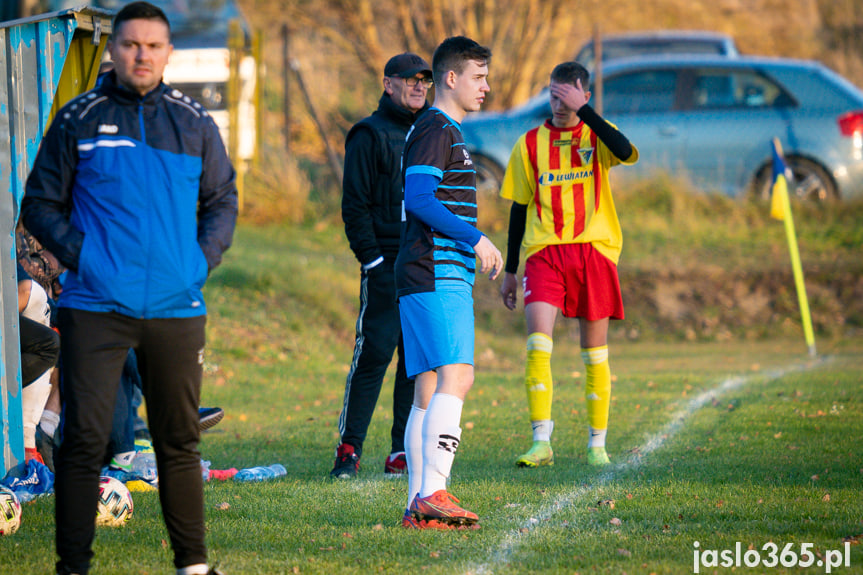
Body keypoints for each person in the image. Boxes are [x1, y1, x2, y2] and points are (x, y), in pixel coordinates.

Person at [21, 2, 237, 574]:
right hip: (94, 305)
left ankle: (193, 565)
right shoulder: (78, 119)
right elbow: (39, 205)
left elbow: (222, 203)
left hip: (175, 304)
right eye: (131, 44)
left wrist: (198, 262)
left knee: (177, 444)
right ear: (114, 49)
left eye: (153, 45)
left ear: (168, 52)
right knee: (85, 442)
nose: (142, 54)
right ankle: (73, 567)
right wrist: (84, 256)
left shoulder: (193, 122)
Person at [498, 61, 638, 469]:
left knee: (594, 353)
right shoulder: (528, 144)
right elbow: (518, 209)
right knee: (538, 342)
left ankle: (597, 445)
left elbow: (627, 152)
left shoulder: (597, 134)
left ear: (584, 96)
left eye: (568, 96)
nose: (559, 104)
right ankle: (541, 441)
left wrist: (586, 113)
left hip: (593, 251)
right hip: (545, 253)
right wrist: (510, 270)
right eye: (554, 95)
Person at [396, 36, 502, 530]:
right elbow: (418, 198)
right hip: (435, 267)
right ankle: (435, 491)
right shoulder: (436, 128)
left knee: (430, 384)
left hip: (426, 269)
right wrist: (475, 237)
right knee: (458, 375)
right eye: (478, 77)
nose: (486, 87)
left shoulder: (443, 130)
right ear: (452, 78)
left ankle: (419, 499)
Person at [330, 52, 432, 479]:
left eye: (424, 80)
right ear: (388, 84)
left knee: (415, 360)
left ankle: (400, 452)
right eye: (409, 80)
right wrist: (372, 261)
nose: (418, 86)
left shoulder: (433, 131)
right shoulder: (368, 134)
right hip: (385, 263)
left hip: (422, 264)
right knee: (373, 355)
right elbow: (354, 207)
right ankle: (349, 451)